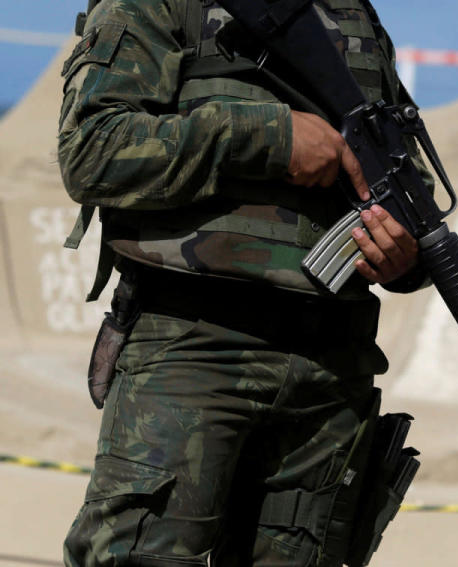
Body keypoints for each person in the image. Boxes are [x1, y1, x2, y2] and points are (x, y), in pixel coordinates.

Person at [58, 0, 431, 565]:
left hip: (331, 368)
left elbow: (404, 184)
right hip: (192, 347)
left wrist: (403, 253)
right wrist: (270, 137)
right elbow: (93, 152)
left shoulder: (354, 15)